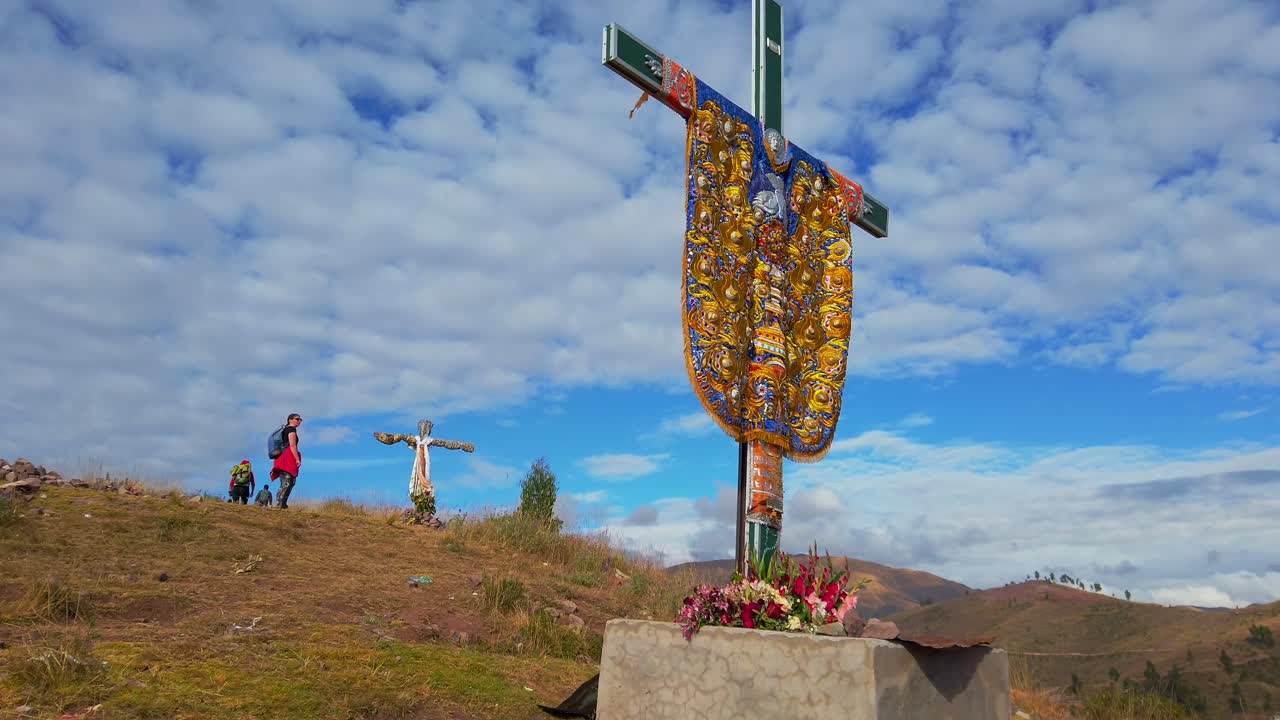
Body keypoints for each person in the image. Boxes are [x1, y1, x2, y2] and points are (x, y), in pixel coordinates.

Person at [270, 413, 303, 509]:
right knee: (287, 481)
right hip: (286, 458)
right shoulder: (291, 429)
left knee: (289, 481)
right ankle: (280, 504)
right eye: (297, 419)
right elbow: (292, 445)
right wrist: (297, 459)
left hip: (282, 457)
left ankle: (282, 503)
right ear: (290, 420)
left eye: (300, 419)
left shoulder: (286, 429)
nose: (299, 421)